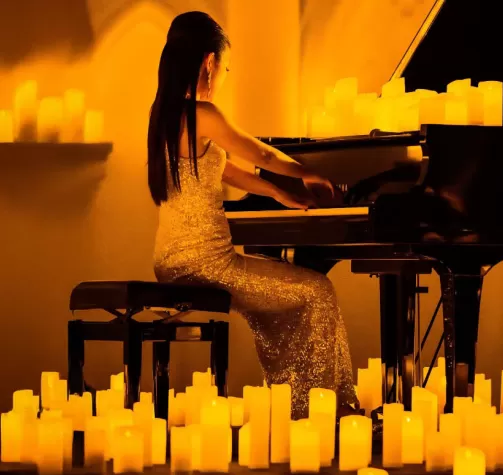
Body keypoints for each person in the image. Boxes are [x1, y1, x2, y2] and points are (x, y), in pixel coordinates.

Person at [148, 11, 357, 419]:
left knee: (289, 297)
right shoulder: (204, 114)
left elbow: (228, 170)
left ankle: (296, 405)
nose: (224, 74)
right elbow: (258, 154)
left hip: (172, 262)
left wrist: (281, 193)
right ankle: (322, 412)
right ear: (209, 62)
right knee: (317, 291)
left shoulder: (167, 117)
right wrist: (306, 172)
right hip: (209, 265)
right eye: (225, 66)